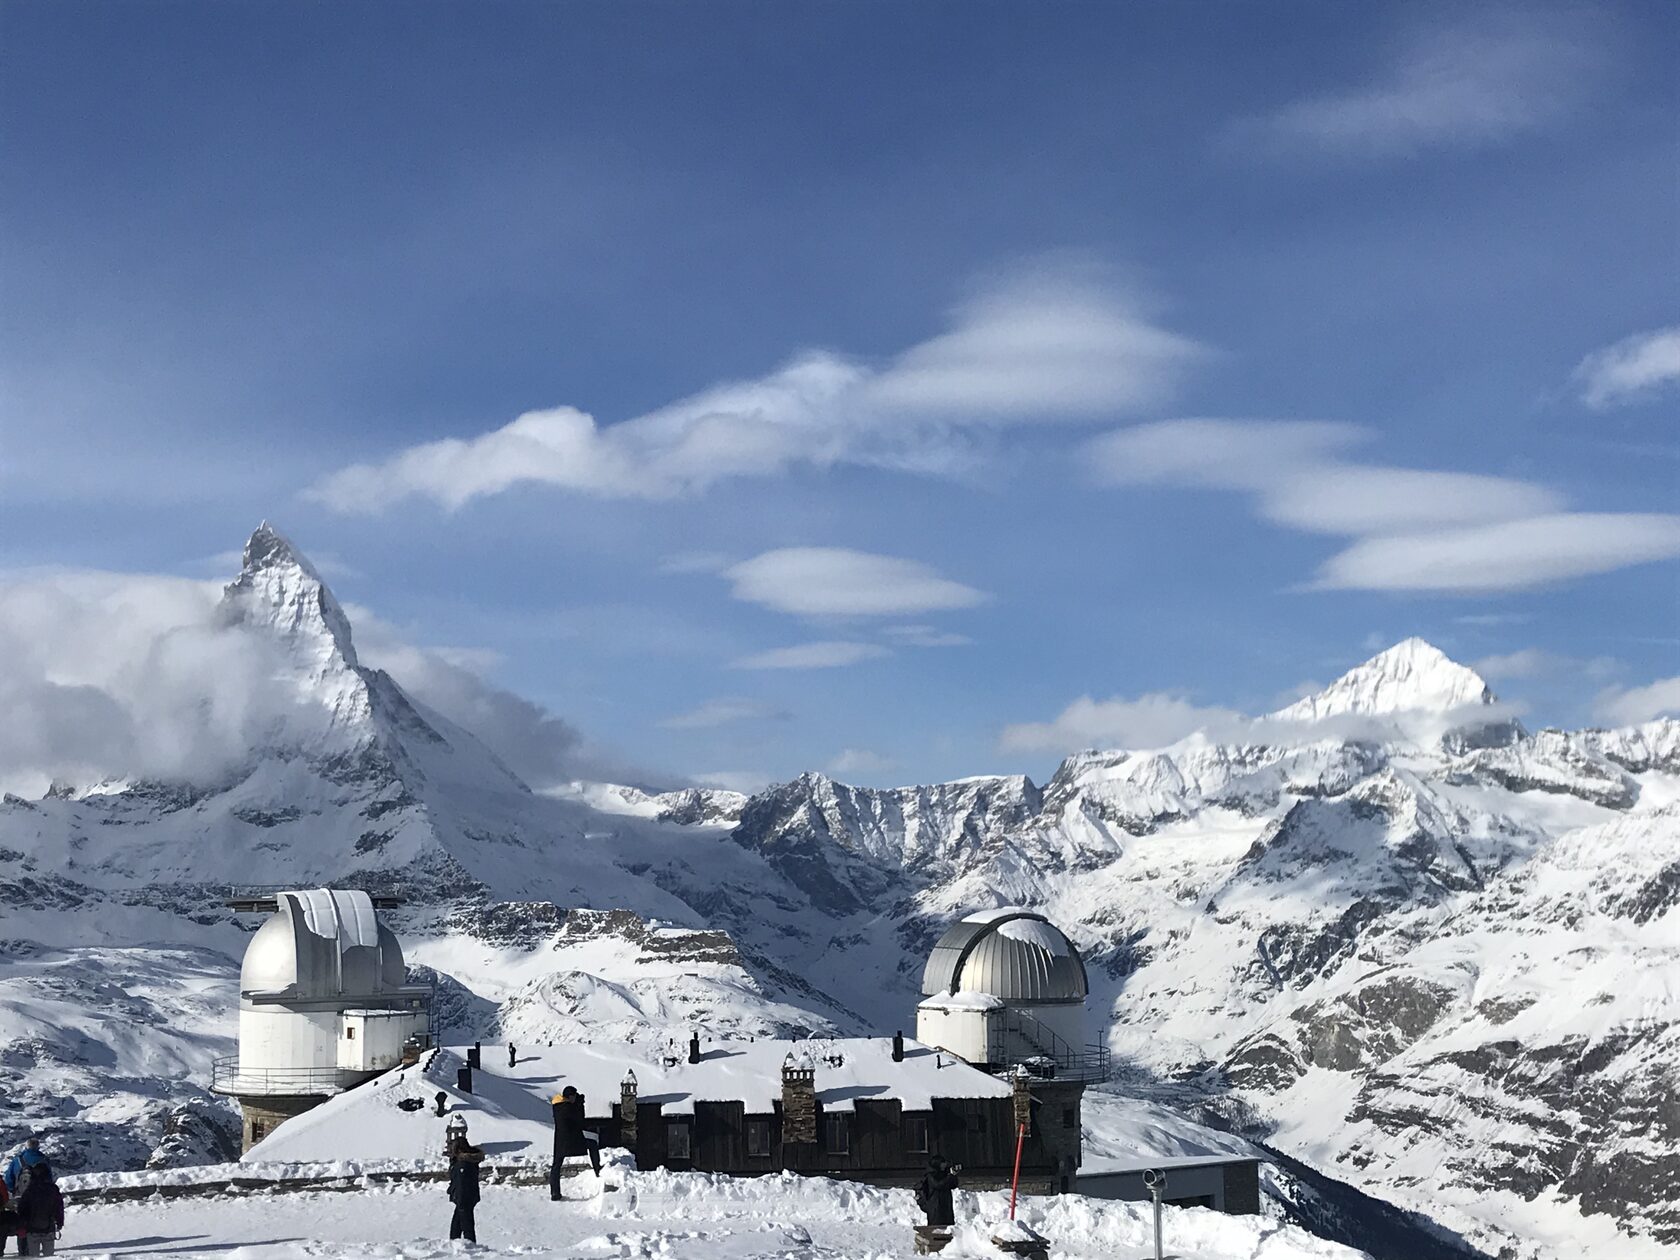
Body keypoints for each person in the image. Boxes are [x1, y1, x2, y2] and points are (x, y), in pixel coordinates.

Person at [548, 1085, 600, 1200]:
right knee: (592, 1145)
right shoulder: (568, 1108)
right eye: (575, 1096)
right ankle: (598, 1170)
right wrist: (580, 1104)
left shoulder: (557, 1106)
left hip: (560, 1140)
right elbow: (580, 1120)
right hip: (572, 1140)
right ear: (570, 1097)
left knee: (556, 1165)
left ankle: (554, 1193)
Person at [10, 1150, 62, 1258]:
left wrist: (22, 1226)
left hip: (31, 1229)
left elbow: (22, 1210)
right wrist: (60, 1223)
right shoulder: (53, 1189)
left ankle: (22, 1252)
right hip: (49, 1227)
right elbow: (59, 1207)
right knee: (49, 1256)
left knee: (32, 1256)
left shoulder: (29, 1190)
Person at [445, 1124, 484, 1245]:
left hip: (464, 1199)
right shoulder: (466, 1161)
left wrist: (459, 1198)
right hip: (466, 1198)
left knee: (466, 1228)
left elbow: (462, 1183)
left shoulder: (463, 1164)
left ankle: (470, 1251)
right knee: (456, 1229)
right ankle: (456, 1248)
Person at [914, 1156, 961, 1231]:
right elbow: (938, 1185)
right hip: (936, 1206)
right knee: (936, 1227)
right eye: (943, 1163)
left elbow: (953, 1185)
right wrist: (950, 1176)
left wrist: (954, 1175)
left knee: (947, 1227)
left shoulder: (945, 1174)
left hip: (945, 1205)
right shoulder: (931, 1175)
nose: (945, 1164)